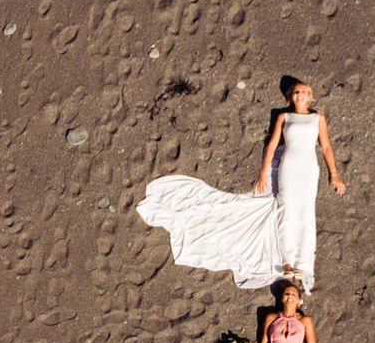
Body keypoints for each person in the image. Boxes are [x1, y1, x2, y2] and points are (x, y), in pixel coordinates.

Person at [135, 77, 346, 290]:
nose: (299, 95)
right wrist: (263, 173)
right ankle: (288, 261)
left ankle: (305, 264)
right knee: (287, 211)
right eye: (296, 92)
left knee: (306, 213)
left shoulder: (317, 118)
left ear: (310, 96)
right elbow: (273, 144)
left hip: (309, 168)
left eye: (303, 92)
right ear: (291, 96)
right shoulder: (284, 116)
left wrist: (334, 174)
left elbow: (326, 147)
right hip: (288, 167)